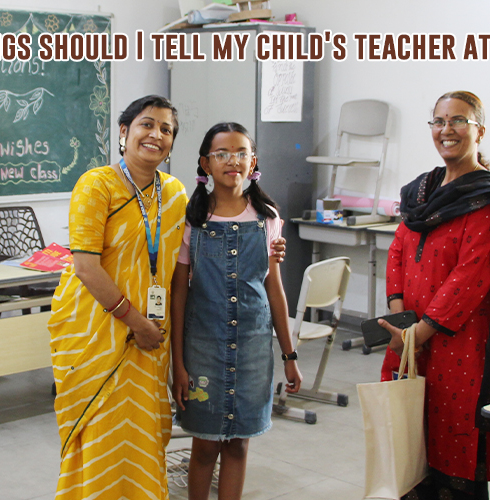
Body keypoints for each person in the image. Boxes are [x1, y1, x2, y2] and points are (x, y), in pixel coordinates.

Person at [48, 96, 286, 500]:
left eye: (166, 129)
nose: (155, 135)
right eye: (146, 125)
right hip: (100, 330)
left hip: (152, 335)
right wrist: (135, 321)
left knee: (143, 435)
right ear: (124, 132)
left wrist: (269, 248)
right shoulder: (96, 185)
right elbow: (86, 266)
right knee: (101, 430)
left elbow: (183, 265)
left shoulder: (175, 193)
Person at [376, 91, 490, 500]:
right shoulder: (420, 193)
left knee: (452, 450)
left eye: (458, 121)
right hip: (409, 340)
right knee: (406, 450)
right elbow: (397, 250)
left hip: (459, 347)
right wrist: (401, 321)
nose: (447, 130)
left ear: (479, 130)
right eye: (439, 121)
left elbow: (470, 279)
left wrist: (416, 333)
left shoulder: (486, 199)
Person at [170, 122, 303, 500]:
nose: (233, 161)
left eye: (242, 153)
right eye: (222, 154)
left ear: (253, 162)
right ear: (205, 163)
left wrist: (289, 355)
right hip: (203, 349)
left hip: (253, 348)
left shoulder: (268, 217)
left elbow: (273, 289)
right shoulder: (192, 219)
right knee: (206, 445)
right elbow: (179, 295)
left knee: (238, 445)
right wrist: (177, 363)